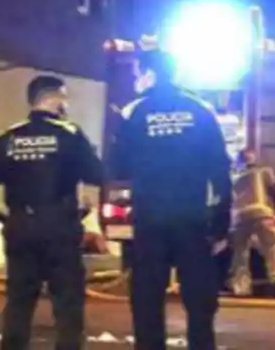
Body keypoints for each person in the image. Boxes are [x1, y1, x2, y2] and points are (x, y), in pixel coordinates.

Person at [110, 48, 232, 350]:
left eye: (139, 72)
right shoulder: (200, 110)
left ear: (150, 73)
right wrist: (221, 221)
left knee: (147, 297)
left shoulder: (134, 112)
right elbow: (220, 167)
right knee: (200, 299)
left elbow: (117, 166)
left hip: (150, 218)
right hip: (192, 217)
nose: (137, 78)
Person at [0, 75, 106, 350]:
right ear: (53, 98)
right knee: (67, 302)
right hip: (59, 226)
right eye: (64, 97)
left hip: (20, 225)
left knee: (19, 300)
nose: (66, 103)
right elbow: (97, 174)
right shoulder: (69, 134)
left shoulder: (9, 135)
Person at [228, 147, 275, 299]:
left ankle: (242, 288)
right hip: (261, 214)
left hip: (239, 219)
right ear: (254, 159)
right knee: (272, 246)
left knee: (240, 253)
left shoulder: (234, 177)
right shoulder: (263, 172)